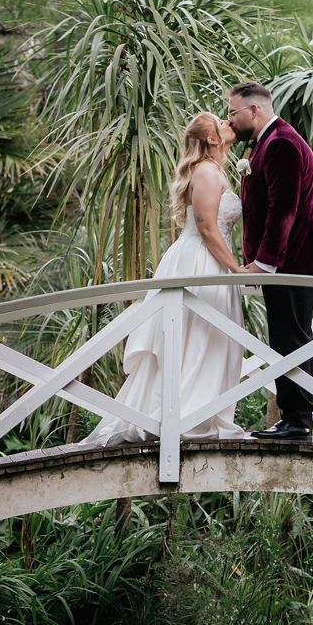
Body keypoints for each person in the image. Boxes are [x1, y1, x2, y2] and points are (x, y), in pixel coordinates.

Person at [80, 113, 245, 447]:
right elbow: (206, 227)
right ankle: (181, 415)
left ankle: (200, 413)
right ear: (211, 138)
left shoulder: (216, 169)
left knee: (212, 337)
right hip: (201, 261)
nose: (229, 123)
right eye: (222, 122)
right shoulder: (206, 171)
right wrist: (237, 269)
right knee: (196, 338)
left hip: (213, 260)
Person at [226, 82, 313, 441]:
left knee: (292, 340)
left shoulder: (281, 143)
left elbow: (283, 209)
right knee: (287, 339)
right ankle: (294, 418)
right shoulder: (267, 143)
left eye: (233, 112)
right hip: (287, 262)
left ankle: (298, 421)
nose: (230, 119)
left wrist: (264, 263)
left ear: (253, 110)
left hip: (294, 261)